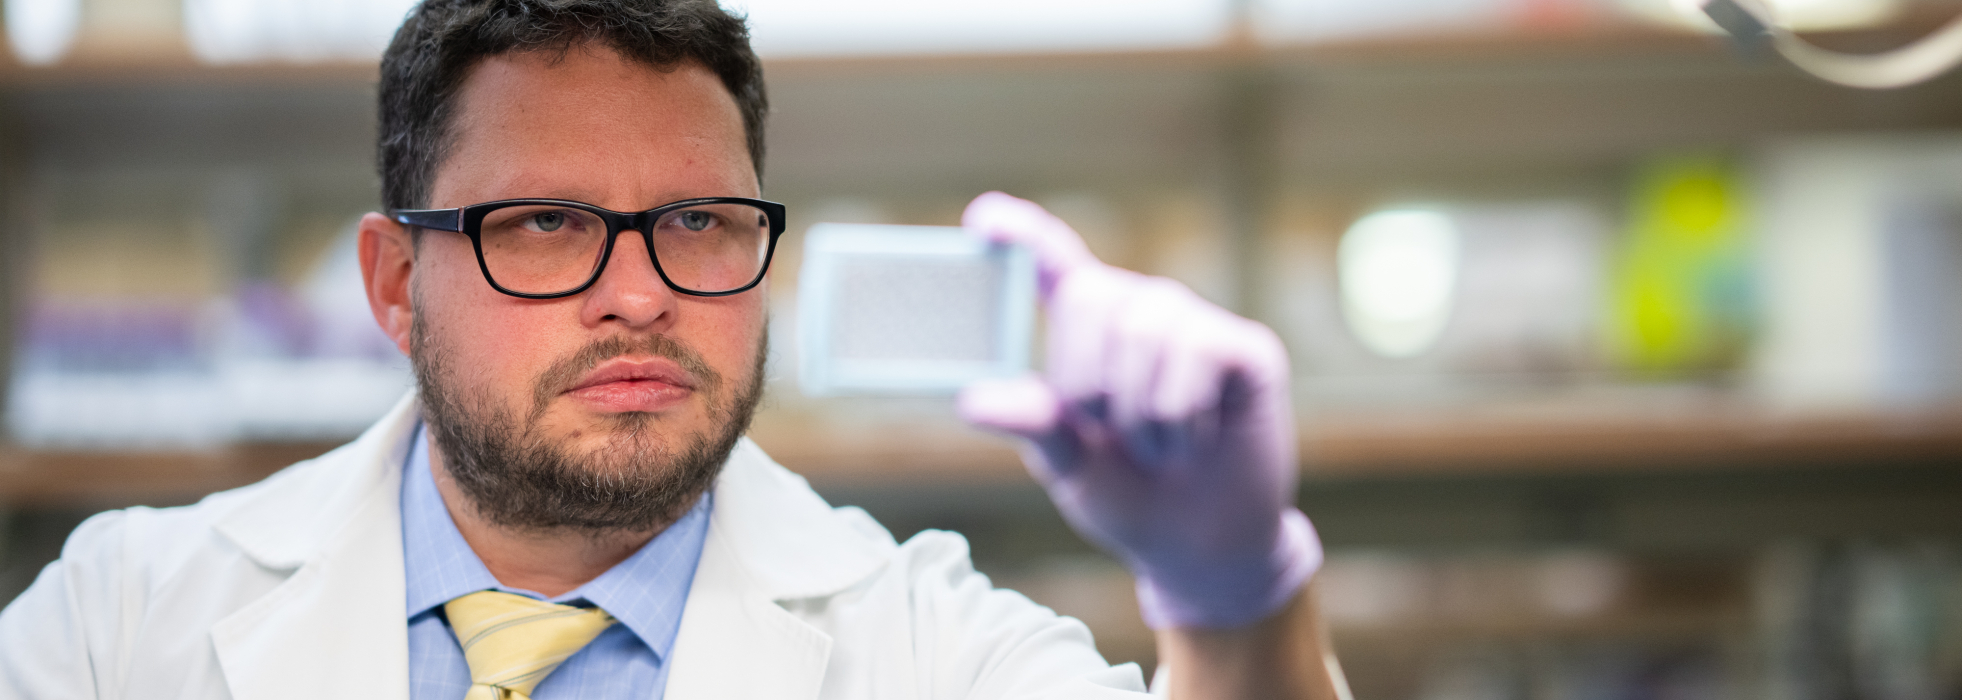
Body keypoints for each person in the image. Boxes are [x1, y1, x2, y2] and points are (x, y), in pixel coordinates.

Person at [0, 1, 1344, 698]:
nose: (638, 295)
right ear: (396, 281)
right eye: (544, 224)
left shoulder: (925, 645)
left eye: (697, 221)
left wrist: (1232, 596)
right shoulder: (125, 618)